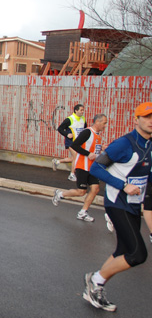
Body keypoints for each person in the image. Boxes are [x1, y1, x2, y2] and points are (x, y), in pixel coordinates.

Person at [82, 103, 152, 312]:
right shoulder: (124, 144)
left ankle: (95, 285)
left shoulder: (149, 145)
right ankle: (95, 280)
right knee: (138, 254)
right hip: (116, 203)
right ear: (135, 119)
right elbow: (96, 168)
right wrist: (123, 185)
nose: (150, 121)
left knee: (123, 250)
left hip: (133, 205)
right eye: (146, 116)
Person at [52, 114, 108, 222]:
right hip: (82, 166)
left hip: (92, 168)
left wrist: (102, 148)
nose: (105, 126)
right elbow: (75, 145)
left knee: (95, 189)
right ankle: (60, 194)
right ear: (97, 122)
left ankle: (83, 212)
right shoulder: (87, 132)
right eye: (104, 123)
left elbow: (93, 150)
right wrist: (87, 154)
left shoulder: (98, 136)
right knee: (81, 192)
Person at [53, 104, 86, 182]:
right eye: (81, 110)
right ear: (76, 110)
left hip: (79, 142)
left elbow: (85, 129)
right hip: (70, 142)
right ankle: (72, 175)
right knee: (76, 157)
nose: (82, 112)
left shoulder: (83, 119)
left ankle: (57, 161)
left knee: (74, 158)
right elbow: (60, 128)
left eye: (83, 110)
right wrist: (67, 134)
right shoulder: (70, 119)